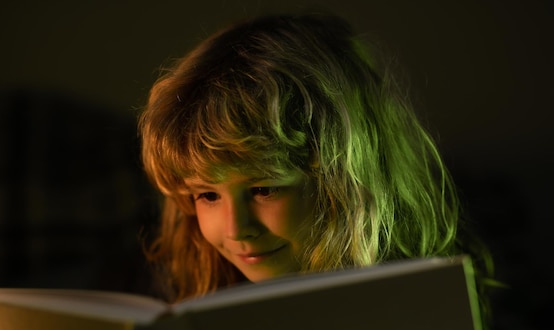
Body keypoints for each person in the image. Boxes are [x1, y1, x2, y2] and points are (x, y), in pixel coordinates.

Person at [138, 12, 492, 303]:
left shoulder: (431, 302)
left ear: (346, 182)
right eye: (207, 195)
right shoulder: (201, 290)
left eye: (264, 189)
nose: (235, 228)